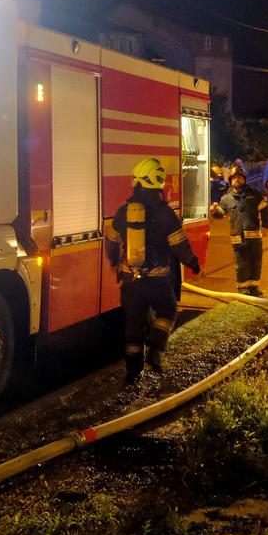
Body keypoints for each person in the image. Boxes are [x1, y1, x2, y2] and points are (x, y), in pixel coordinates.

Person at [105, 157, 202, 386]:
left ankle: (132, 373)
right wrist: (194, 263)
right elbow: (180, 246)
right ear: (158, 183)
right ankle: (156, 351)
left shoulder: (124, 211)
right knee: (168, 311)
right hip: (157, 281)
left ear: (137, 182)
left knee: (133, 326)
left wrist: (113, 260)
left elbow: (110, 240)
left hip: (130, 281)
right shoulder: (165, 214)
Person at [211, 163, 268, 296]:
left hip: (255, 238)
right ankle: (243, 290)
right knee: (242, 265)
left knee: (255, 264)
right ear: (231, 180)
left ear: (244, 179)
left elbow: (265, 209)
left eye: (239, 177)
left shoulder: (254, 195)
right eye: (234, 178)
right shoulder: (226, 199)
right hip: (238, 239)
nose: (237, 180)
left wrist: (266, 225)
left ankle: (254, 288)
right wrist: (214, 212)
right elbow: (219, 214)